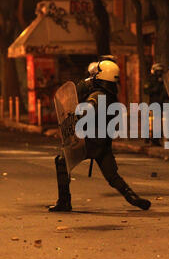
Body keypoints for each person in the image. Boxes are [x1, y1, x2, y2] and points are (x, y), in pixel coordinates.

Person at [50, 60, 151, 212]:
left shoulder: (97, 96)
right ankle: (132, 197)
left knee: (62, 162)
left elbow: (85, 112)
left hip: (89, 142)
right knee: (112, 176)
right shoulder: (111, 97)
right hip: (104, 144)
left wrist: (74, 113)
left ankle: (64, 201)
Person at [143, 63, 169, 146]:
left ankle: (155, 140)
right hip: (154, 103)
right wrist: (157, 86)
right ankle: (151, 139)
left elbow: (167, 92)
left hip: (161, 103)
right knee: (153, 121)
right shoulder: (152, 80)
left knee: (157, 122)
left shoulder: (164, 80)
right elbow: (147, 90)